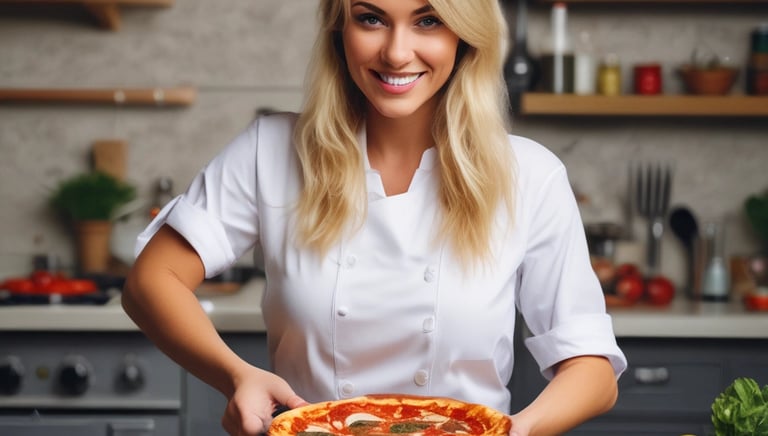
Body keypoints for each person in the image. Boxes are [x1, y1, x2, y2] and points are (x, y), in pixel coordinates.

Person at [121, 0, 627, 434]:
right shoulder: (270, 151)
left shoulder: (529, 175)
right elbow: (151, 282)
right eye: (371, 19)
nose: (397, 52)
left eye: (428, 21)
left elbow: (592, 368)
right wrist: (237, 375)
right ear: (339, 29)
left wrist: (517, 430)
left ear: (465, 35)